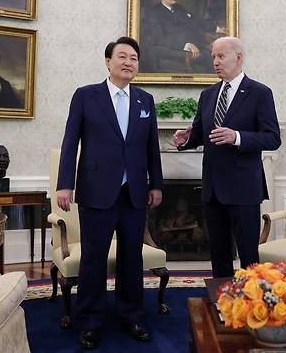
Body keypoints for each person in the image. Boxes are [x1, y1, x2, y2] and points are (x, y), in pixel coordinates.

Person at [56, 36, 163, 349]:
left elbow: (151, 147)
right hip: (96, 192)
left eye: (134, 58)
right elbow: (69, 141)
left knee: (132, 258)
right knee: (93, 259)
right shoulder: (86, 96)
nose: (128, 62)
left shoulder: (145, 100)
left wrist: (156, 183)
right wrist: (65, 184)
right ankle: (90, 321)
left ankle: (132, 316)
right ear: (108, 62)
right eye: (122, 56)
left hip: (134, 194)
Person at [172, 36, 281, 278]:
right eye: (213, 57)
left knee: (248, 256)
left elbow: (273, 138)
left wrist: (238, 137)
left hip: (244, 189)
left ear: (238, 57)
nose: (215, 62)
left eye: (221, 56)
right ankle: (221, 302)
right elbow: (201, 134)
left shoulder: (259, 93)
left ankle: (251, 308)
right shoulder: (208, 95)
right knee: (218, 253)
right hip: (213, 189)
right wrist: (186, 140)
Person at [146, 0, 223, 72]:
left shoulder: (179, 8)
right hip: (177, 49)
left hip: (197, 44)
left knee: (217, 57)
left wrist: (216, 28)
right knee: (210, 62)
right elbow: (159, 38)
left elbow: (196, 21)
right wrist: (186, 44)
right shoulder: (155, 13)